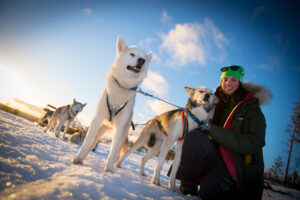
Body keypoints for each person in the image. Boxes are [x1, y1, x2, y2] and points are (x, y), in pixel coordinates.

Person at [179, 65, 271, 200]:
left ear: (239, 82)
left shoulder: (251, 108)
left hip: (234, 161)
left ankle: (230, 189)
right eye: (225, 79)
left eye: (233, 79)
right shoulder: (213, 100)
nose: (228, 83)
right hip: (212, 153)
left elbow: (255, 142)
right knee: (194, 137)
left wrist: (212, 130)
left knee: (210, 193)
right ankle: (188, 185)